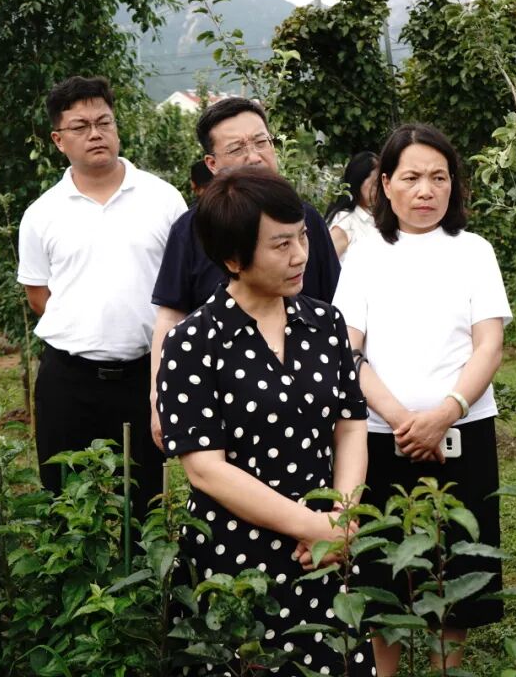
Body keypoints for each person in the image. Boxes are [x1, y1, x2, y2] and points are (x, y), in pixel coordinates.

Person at [157, 167, 373, 676]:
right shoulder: (192, 342)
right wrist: (311, 527)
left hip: (324, 553)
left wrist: (340, 519)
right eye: (280, 245)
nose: (300, 255)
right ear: (233, 258)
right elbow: (205, 468)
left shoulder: (325, 323)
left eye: (302, 237)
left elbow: (350, 424)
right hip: (235, 559)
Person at [333, 123, 510, 675]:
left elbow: (489, 344)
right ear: (385, 184)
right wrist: (403, 419)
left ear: (454, 184)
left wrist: (445, 413)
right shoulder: (364, 255)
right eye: (410, 178)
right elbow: (348, 350)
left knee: (453, 571)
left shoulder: (474, 251)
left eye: (438, 177)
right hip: (379, 437)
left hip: (463, 432)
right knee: (380, 571)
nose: (426, 190)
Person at [17, 76, 186, 519]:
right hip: (68, 379)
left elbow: (185, 284)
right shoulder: (42, 214)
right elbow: (38, 295)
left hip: (144, 375)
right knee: (65, 502)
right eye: (80, 126)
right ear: (58, 140)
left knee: (146, 505)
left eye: (104, 122)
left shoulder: (163, 199)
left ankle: (146, 567)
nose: (95, 133)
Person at [150, 97, 340, 450]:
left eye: (261, 142)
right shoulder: (191, 229)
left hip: (310, 400)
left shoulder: (306, 219)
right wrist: (158, 394)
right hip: (226, 405)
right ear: (212, 163)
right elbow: (170, 314)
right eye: (237, 148)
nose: (254, 157)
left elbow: (334, 306)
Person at [326, 151, 380, 261]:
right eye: (375, 183)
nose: (380, 189)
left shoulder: (374, 218)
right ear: (358, 181)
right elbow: (325, 265)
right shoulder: (345, 222)